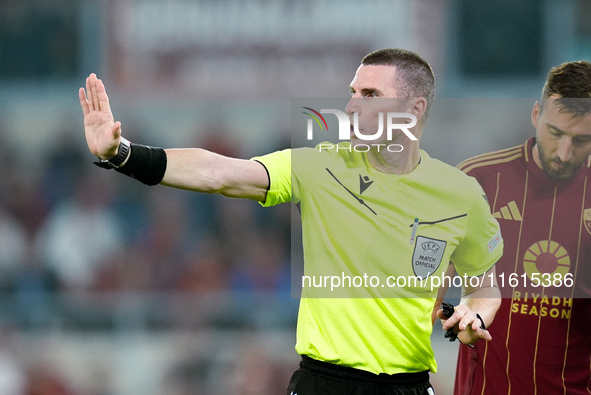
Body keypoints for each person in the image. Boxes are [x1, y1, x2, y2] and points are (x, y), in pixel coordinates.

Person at [79, 48, 503, 395]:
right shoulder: (320, 168)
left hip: (409, 386)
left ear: (414, 108)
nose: (352, 105)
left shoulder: (461, 194)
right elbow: (218, 173)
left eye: (370, 94)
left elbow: (486, 288)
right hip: (324, 383)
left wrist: (475, 316)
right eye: (352, 92)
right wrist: (123, 154)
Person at [448, 61, 591, 395]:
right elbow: (427, 286)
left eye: (582, 140)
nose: (564, 152)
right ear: (536, 114)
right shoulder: (476, 180)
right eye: (555, 133)